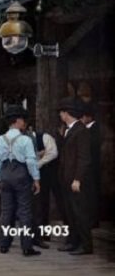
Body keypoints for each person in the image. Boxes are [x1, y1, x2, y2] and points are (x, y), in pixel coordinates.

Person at [0, 106, 41, 256]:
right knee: (24, 211)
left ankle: (3, 244)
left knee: (6, 211)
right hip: (21, 175)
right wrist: (36, 178)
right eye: (23, 120)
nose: (24, 123)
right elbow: (31, 161)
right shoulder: (25, 140)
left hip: (5, 175)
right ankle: (26, 247)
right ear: (18, 121)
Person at [56, 97, 93, 255]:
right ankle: (72, 241)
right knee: (70, 212)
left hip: (76, 180)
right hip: (66, 178)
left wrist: (78, 178)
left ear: (67, 113)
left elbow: (84, 158)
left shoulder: (81, 130)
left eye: (61, 112)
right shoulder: (68, 130)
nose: (60, 115)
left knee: (79, 212)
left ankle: (86, 246)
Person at [27, 123, 58, 246]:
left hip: (45, 175)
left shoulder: (45, 137)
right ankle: (33, 234)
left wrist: (39, 163)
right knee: (31, 206)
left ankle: (43, 234)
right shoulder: (23, 140)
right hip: (29, 175)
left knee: (43, 204)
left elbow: (53, 153)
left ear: (30, 129)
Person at [81, 102, 100, 229]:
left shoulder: (94, 129)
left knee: (92, 194)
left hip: (93, 166)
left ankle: (93, 220)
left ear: (88, 117)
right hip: (89, 166)